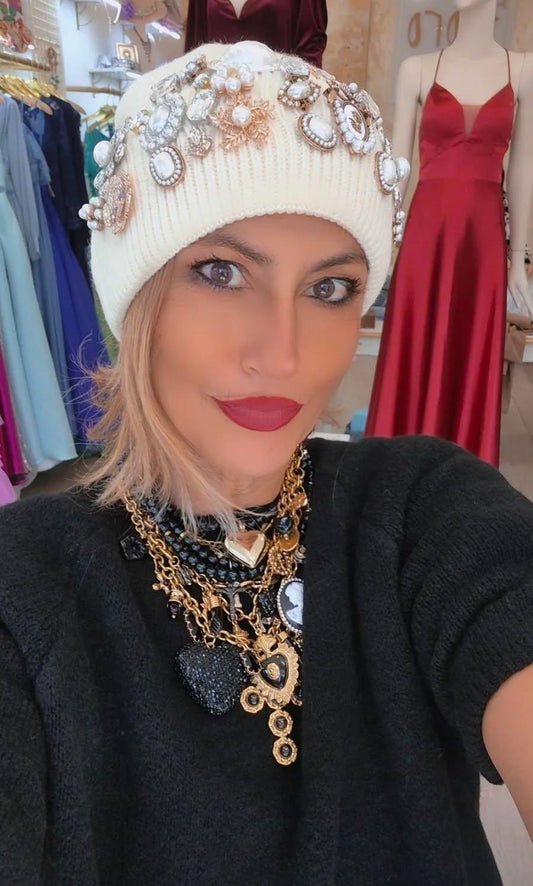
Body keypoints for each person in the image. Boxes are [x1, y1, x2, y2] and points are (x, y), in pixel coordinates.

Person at [1, 40, 533, 886]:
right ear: (136, 295)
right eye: (221, 271)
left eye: (329, 288)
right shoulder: (24, 584)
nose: (283, 356)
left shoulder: (421, 507)